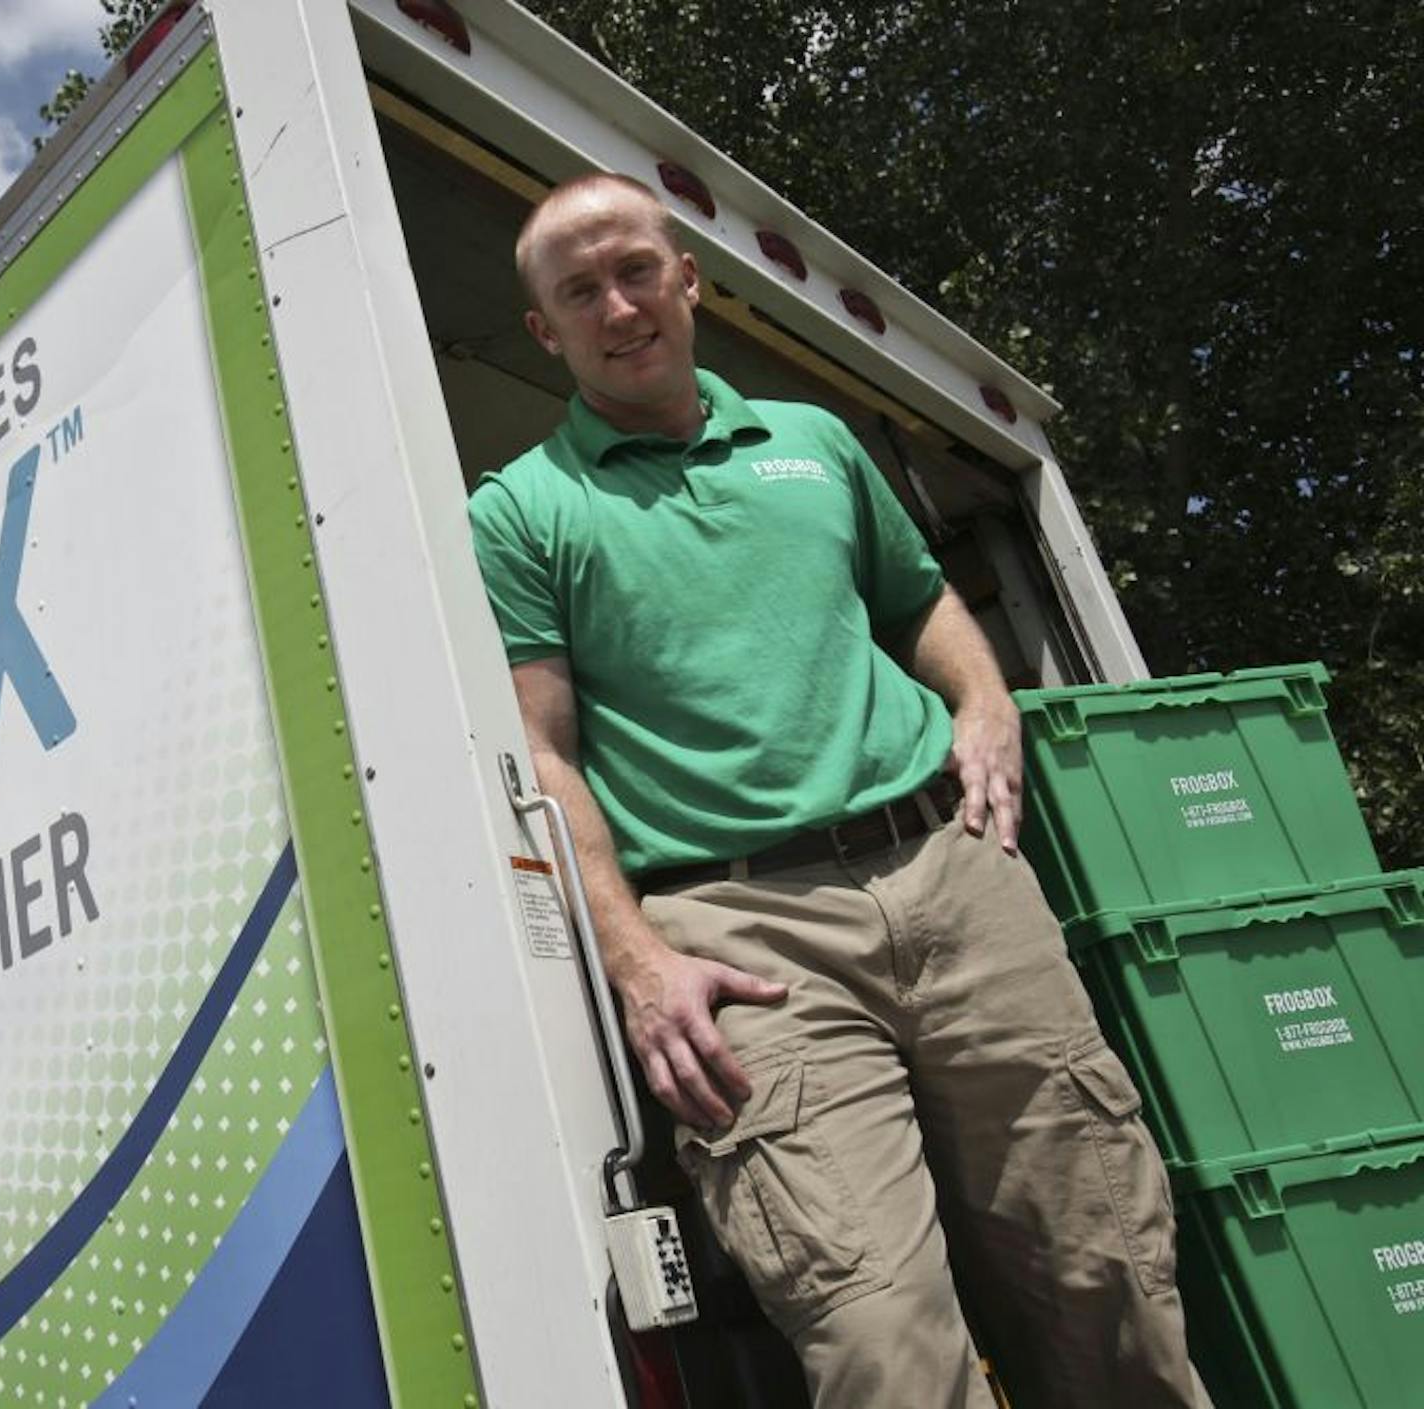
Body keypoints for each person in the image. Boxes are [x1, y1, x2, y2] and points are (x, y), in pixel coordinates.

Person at [468, 172, 1209, 1409]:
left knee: (1108, 1270)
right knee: (878, 1340)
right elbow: (546, 758)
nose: (619, 303)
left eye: (637, 269)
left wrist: (986, 702)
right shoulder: (521, 510)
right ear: (547, 331)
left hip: (953, 872)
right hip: (748, 936)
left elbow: (921, 606)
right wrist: (639, 960)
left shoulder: (815, 443)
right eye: (579, 289)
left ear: (690, 280)